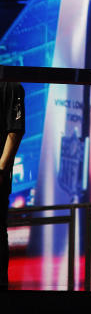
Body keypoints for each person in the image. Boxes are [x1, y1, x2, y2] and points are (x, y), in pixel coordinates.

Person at [1, 79, 25, 291]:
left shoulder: (11, 86)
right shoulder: (12, 86)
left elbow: (15, 131)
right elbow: (15, 131)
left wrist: (0, 168)